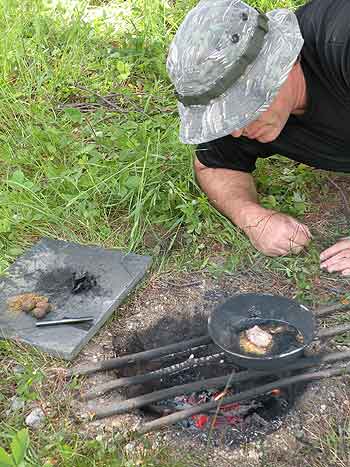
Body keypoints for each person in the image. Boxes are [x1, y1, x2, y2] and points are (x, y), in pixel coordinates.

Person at [166, 0, 350, 276]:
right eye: (228, 113)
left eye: (243, 107)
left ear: (282, 65)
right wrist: (252, 217)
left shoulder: (340, 41)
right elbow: (214, 165)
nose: (236, 130)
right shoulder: (243, 121)